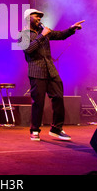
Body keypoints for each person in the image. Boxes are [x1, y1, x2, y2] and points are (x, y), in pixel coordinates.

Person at [19, 8, 85, 141]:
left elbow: (60, 35)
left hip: (51, 69)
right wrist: (42, 35)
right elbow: (28, 49)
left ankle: (56, 129)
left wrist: (72, 28)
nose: (39, 19)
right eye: (36, 16)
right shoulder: (23, 34)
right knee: (38, 102)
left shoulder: (45, 31)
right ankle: (35, 130)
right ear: (28, 18)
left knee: (58, 98)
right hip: (36, 70)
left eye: (40, 17)